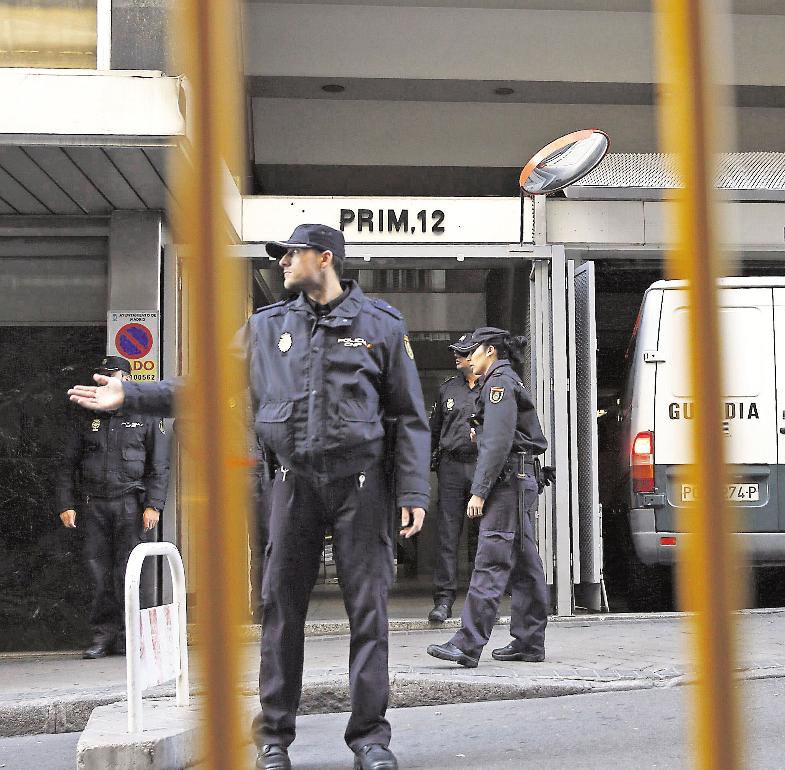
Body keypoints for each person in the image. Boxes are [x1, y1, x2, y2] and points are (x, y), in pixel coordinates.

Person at [68, 224, 431, 770]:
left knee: (368, 614)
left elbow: (408, 416)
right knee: (281, 611)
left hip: (363, 487)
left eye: (291, 253)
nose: (282, 262)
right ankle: (274, 740)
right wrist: (132, 395)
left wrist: (413, 489)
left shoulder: (381, 325)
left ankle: (370, 741)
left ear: (324, 258)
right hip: (290, 485)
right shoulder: (266, 328)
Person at [427, 326, 549, 668]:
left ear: (490, 352)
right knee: (525, 562)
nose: (468, 357)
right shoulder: (507, 380)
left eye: (473, 351)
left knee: (491, 559)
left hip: (508, 481)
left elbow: (496, 443)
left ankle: (467, 644)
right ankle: (529, 640)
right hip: (520, 477)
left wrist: (479, 491)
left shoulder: (498, 384)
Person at [55, 355, 171, 659]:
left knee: (130, 572)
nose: (107, 382)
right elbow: (67, 464)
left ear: (126, 380)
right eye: (103, 377)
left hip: (130, 504)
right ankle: (102, 636)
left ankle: (130, 637)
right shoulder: (85, 415)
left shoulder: (145, 414)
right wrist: (66, 502)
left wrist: (154, 505)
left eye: (114, 377)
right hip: (94, 504)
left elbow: (159, 465)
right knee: (97, 573)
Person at [426, 334, 483, 624]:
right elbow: (433, 432)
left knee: (480, 536)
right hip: (450, 468)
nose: (456, 356)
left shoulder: (491, 387)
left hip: (480, 468)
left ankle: (477, 601)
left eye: (462, 352)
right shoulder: (447, 389)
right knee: (448, 536)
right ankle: (444, 600)